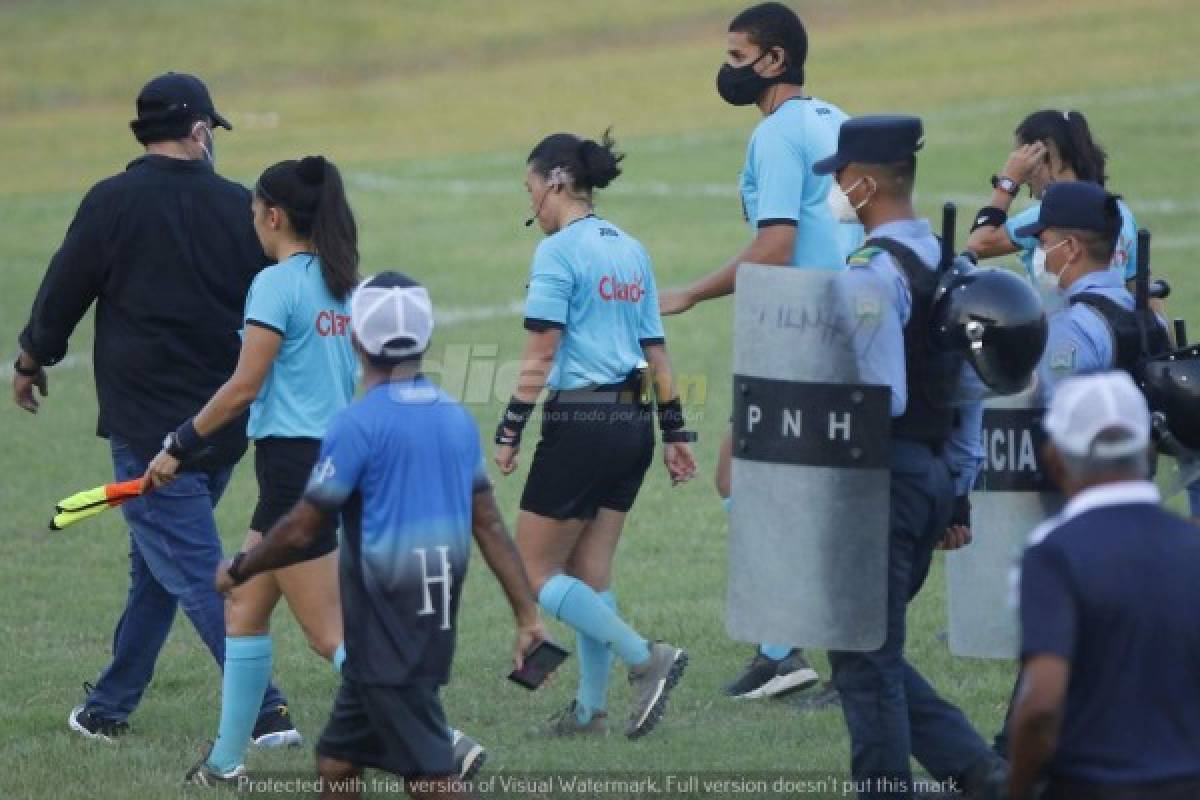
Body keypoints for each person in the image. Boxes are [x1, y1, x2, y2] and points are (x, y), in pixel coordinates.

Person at [12, 72, 294, 744]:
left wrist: (30, 361)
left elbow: (63, 292)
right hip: (223, 424)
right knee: (159, 566)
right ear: (199, 131)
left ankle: (266, 709)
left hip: (148, 430)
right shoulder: (240, 206)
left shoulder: (111, 202)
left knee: (194, 570)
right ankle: (109, 707)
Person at [204, 272, 546, 800]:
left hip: (391, 629)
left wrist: (241, 567)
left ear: (356, 339)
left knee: (433, 780)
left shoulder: (357, 425)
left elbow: (302, 527)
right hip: (420, 621)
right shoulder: (453, 419)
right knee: (338, 762)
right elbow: (490, 526)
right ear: (426, 339)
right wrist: (526, 615)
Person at [658, 0, 861, 700]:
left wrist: (688, 294)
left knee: (748, 482)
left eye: (738, 56)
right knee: (768, 483)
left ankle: (795, 651)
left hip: (801, 330)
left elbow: (774, 247)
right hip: (847, 326)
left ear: (775, 60)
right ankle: (791, 648)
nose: (728, 69)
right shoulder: (834, 119)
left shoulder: (776, 134)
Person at [814, 114, 1006, 799]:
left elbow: (879, 395)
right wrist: (953, 486)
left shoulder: (869, 274)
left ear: (865, 182)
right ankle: (980, 772)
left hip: (878, 479)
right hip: (925, 477)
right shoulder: (951, 264)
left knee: (865, 656)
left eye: (840, 175)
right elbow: (969, 393)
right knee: (867, 648)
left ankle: (888, 788)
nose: (836, 186)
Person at [493, 129, 696, 739]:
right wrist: (675, 431)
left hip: (581, 422)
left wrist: (510, 429)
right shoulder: (630, 249)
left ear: (556, 180)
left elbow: (542, 346)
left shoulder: (558, 253)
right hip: (631, 424)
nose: (532, 204)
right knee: (590, 575)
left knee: (533, 573)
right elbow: (655, 350)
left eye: (531, 189)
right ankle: (588, 713)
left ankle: (645, 658)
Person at [1009, 371, 1200, 800]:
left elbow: (1041, 705)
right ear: (1149, 451)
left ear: (1055, 459)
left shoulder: (1054, 553)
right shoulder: (1193, 544)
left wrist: (1017, 787)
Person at [965, 109, 1138, 286]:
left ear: (1042, 155)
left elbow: (977, 244)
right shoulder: (1120, 213)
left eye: (1023, 161)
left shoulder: (1051, 216)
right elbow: (1141, 292)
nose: (1025, 179)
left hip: (1068, 313)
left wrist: (1008, 181)